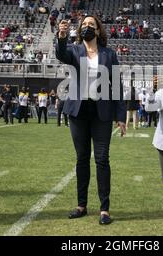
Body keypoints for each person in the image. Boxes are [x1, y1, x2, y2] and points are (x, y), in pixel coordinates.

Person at [56, 15, 126, 225]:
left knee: (102, 159)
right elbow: (61, 54)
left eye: (91, 25)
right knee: (82, 158)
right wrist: (61, 37)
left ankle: (104, 209)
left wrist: (120, 116)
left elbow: (117, 86)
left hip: (101, 112)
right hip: (78, 111)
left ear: (98, 30)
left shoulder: (109, 54)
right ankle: (81, 205)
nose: (87, 27)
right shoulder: (74, 50)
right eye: (84, 24)